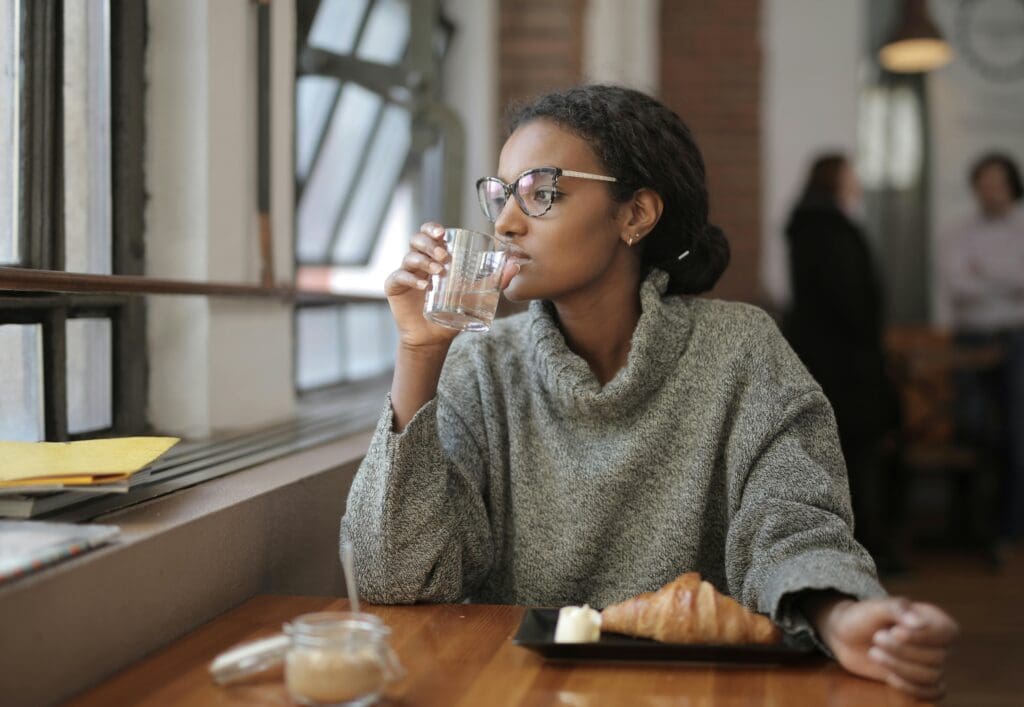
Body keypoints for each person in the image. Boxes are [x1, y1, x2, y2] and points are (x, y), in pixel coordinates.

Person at [342, 85, 956, 700]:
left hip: (696, 691)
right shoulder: (481, 365)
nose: (503, 222)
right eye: (501, 194)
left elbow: (793, 525)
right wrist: (419, 353)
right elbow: (395, 577)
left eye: (542, 192)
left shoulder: (739, 351)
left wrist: (842, 618)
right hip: (522, 690)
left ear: (635, 214)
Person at [781, 154, 906, 572]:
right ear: (836, 180)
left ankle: (842, 541)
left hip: (822, 358)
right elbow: (852, 301)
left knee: (837, 453)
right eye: (851, 174)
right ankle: (864, 544)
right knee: (857, 455)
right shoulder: (832, 231)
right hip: (849, 365)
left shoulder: (807, 227)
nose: (858, 182)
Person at [942, 152, 1024, 542]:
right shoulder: (959, 232)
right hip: (969, 339)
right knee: (969, 429)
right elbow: (958, 287)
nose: (991, 190)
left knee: (1016, 431)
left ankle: (1010, 527)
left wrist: (984, 276)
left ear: (1011, 184)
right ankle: (967, 528)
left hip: (1016, 339)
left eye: (998, 181)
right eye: (984, 182)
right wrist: (1007, 283)